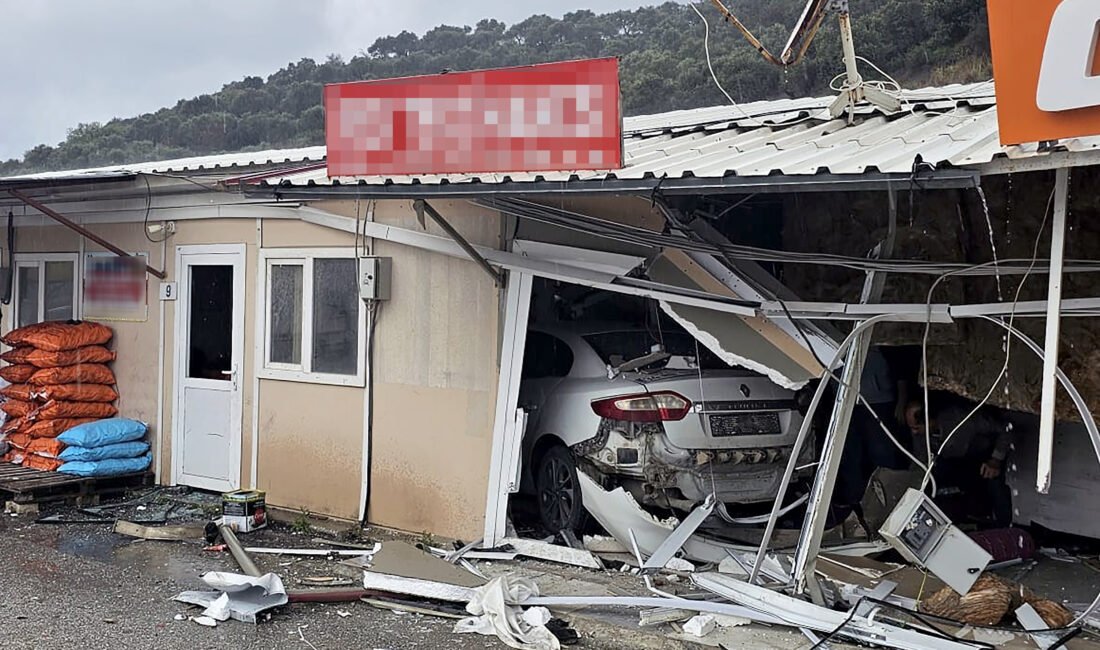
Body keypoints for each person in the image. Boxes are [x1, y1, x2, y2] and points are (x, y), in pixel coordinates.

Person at [904, 395, 1014, 526]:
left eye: (916, 427)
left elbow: (1006, 429)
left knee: (995, 487)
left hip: (984, 457)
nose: (914, 432)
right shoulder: (921, 434)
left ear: (929, 420)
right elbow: (920, 460)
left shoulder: (962, 418)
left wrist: (996, 459)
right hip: (956, 460)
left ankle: (1005, 527)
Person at [832, 346, 910, 528]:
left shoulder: (883, 338)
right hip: (845, 401)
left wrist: (901, 400)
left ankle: (890, 502)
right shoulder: (835, 336)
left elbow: (901, 367)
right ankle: (855, 506)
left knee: (882, 453)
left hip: (880, 401)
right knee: (851, 454)